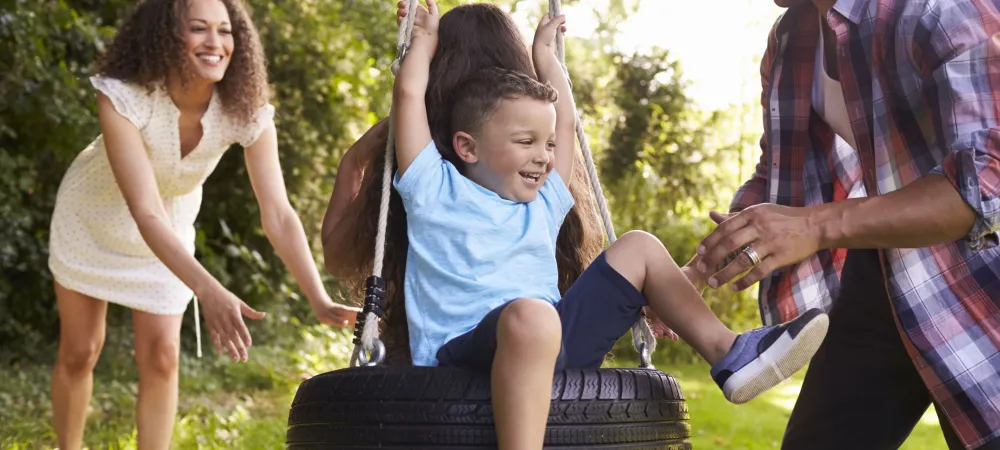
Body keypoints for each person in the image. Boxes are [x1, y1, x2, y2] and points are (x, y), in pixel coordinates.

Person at [382, 1, 830, 448]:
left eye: (547, 144)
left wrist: (548, 60)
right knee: (531, 316)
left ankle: (728, 354)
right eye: (525, 142)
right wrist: (422, 42)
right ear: (467, 146)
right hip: (466, 352)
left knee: (639, 246)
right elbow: (408, 96)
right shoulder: (433, 190)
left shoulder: (542, 202)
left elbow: (568, 123)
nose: (543, 155)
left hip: (554, 339)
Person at [46, 0, 358, 448]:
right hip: (92, 220)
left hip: (169, 226)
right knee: (80, 352)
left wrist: (319, 297)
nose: (216, 43)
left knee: (162, 356)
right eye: (199, 29)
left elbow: (278, 213)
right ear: (168, 35)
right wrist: (208, 290)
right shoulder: (124, 95)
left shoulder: (243, 107)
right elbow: (144, 211)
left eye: (225, 31)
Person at [694, 0, 1000, 449]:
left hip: (983, 275)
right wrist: (698, 270)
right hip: (883, 273)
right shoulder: (790, 38)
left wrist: (818, 226)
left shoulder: (940, 8)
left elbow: (989, 178)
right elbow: (782, 176)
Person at [321, 1, 611, 366]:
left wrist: (355, 159)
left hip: (439, 367)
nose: (540, 152)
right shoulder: (535, 178)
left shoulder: (419, 164)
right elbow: (565, 124)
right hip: (530, 350)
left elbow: (336, 256)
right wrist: (549, 61)